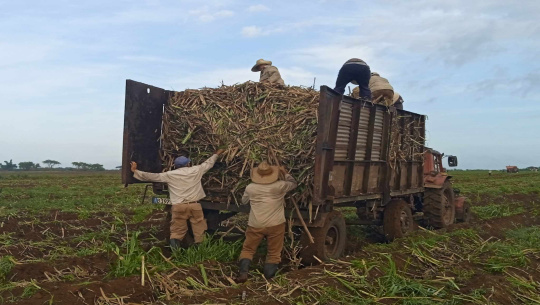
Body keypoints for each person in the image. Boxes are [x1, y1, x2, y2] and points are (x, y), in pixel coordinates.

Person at [130, 148, 226, 248]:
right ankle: (199, 253)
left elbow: (152, 176)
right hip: (194, 205)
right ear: (188, 164)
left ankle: (175, 252)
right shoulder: (196, 170)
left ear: (175, 165)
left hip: (179, 207)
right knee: (199, 229)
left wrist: (135, 171)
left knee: (177, 231)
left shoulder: (170, 175)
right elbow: (208, 163)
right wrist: (216, 153)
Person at [236, 161, 297, 283]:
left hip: (255, 224)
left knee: (248, 249)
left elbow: (244, 202)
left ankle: (243, 273)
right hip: (276, 224)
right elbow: (294, 183)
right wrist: (284, 173)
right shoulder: (279, 186)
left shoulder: (250, 188)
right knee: (274, 252)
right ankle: (269, 277)